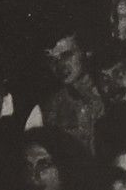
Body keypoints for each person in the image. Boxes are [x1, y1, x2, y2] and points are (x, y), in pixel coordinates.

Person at [25, 28, 107, 156]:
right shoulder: (50, 108)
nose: (60, 65)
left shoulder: (109, 94)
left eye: (66, 55)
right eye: (52, 59)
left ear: (86, 52)